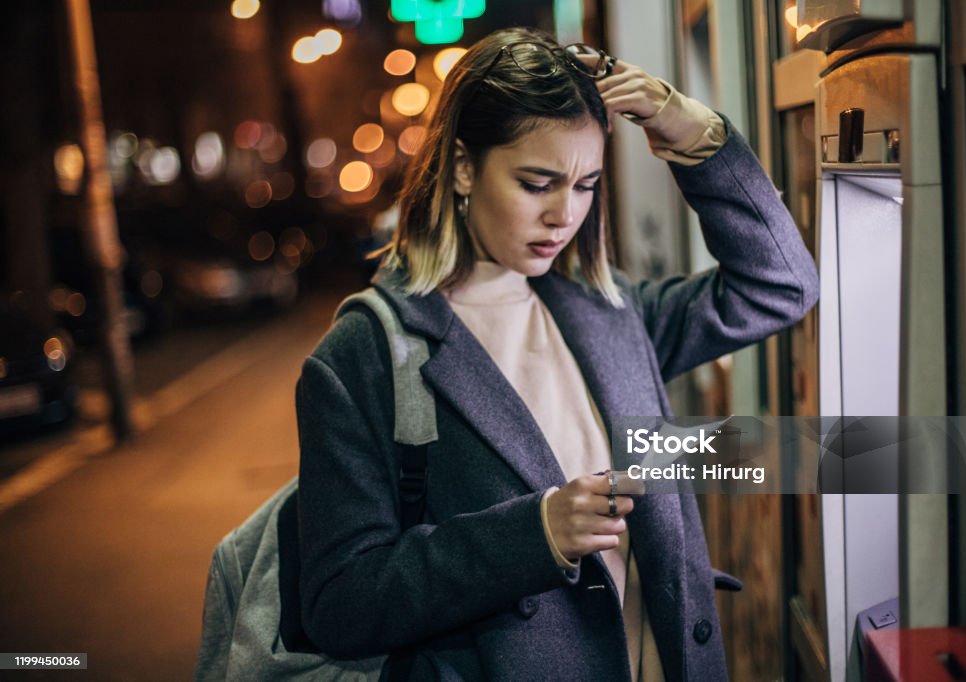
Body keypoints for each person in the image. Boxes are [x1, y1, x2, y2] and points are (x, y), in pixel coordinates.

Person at [296, 26, 818, 681]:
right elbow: (340, 604)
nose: (563, 215)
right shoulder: (366, 354)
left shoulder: (605, 311)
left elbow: (780, 284)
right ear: (462, 167)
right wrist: (533, 534)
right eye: (537, 182)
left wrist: (693, 133)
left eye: (585, 185)